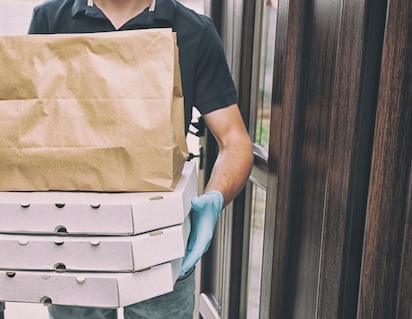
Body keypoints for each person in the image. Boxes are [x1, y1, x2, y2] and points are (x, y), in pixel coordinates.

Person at [28, 0, 253, 318]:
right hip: (72, 239)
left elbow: (235, 140)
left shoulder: (194, 31)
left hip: (159, 242)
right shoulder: (50, 20)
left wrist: (215, 197)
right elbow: (28, 128)